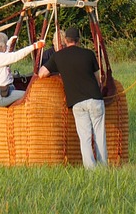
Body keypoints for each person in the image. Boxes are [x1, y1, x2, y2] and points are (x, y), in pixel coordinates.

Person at [39, 25, 107, 169]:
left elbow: (42, 73)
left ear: (65, 40)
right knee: (99, 134)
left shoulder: (58, 56)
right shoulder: (88, 54)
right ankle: (103, 166)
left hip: (77, 101)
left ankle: (91, 169)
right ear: (79, 40)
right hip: (95, 99)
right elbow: (98, 79)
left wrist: (58, 73)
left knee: (85, 137)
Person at [0, 31, 44, 107]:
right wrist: (34, 46)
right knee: (29, 95)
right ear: (1, 47)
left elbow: (6, 52)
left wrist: (10, 42)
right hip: (0, 94)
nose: (6, 47)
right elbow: (15, 56)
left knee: (27, 94)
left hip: (4, 91)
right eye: (5, 45)